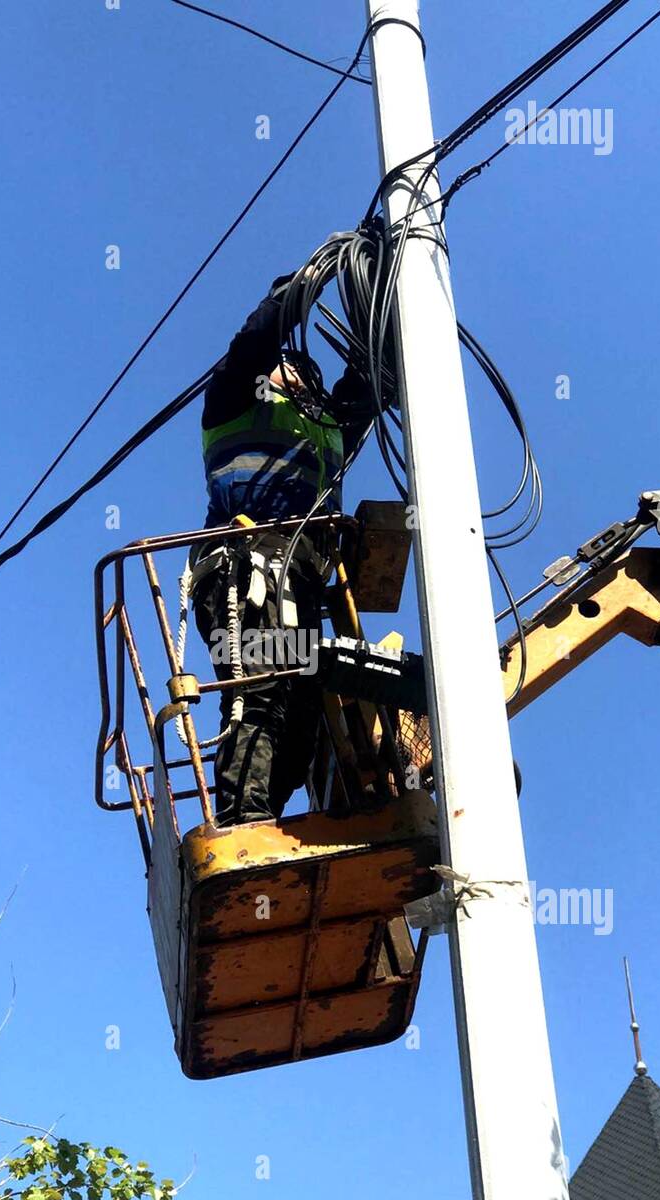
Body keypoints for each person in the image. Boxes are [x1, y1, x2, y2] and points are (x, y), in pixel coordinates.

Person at [189, 273, 379, 827]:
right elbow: (256, 341)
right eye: (287, 368)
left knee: (303, 716)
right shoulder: (232, 400)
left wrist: (384, 288)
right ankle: (242, 820)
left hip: (298, 582)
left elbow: (369, 387)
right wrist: (305, 285)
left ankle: (261, 815)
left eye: (303, 376)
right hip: (241, 566)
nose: (293, 376)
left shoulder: (326, 433)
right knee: (262, 686)